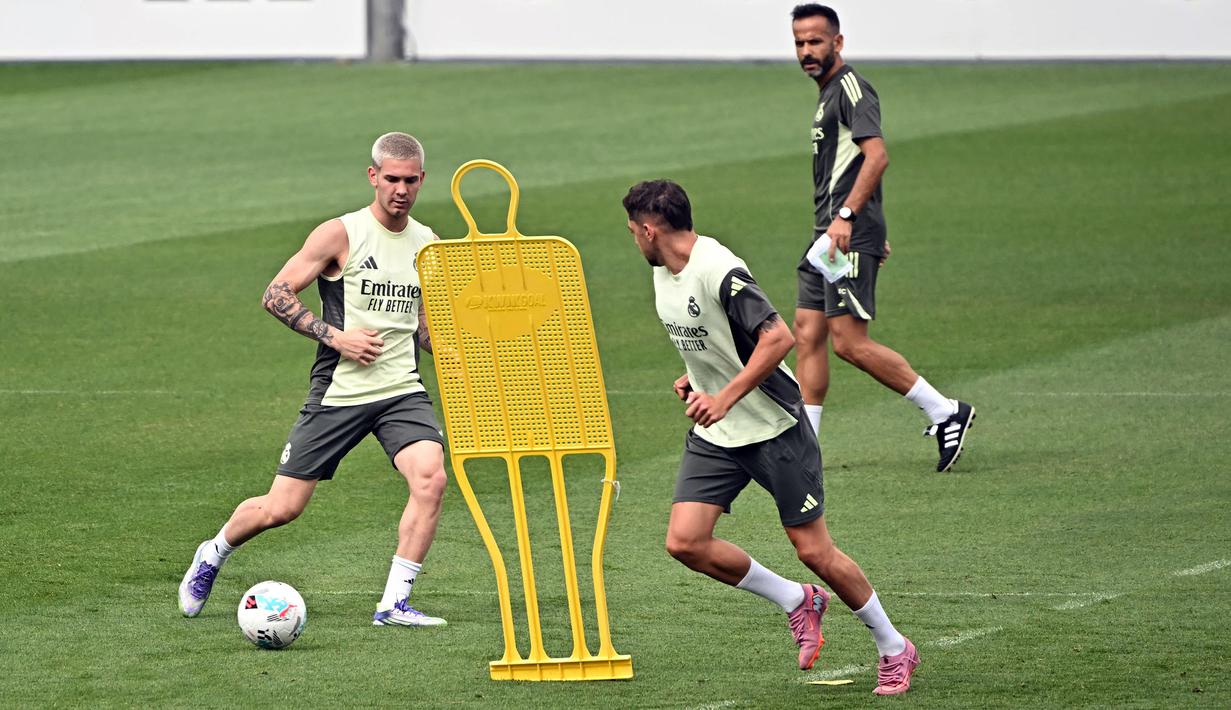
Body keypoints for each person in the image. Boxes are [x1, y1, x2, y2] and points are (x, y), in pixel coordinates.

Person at [622, 179, 919, 695]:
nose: (633, 240)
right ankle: (796, 600)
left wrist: (722, 396)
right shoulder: (664, 271)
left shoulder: (718, 269)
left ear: (650, 230)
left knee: (816, 552)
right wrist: (698, 377)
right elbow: (713, 337)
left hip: (774, 427)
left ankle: (895, 647)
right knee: (685, 541)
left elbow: (777, 338)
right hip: (720, 431)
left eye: (632, 231)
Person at [178, 132, 449, 627]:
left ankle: (394, 604)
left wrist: (468, 352)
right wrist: (336, 337)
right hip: (339, 392)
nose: (401, 190)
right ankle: (214, 552)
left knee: (430, 479)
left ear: (422, 180)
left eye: (411, 180)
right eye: (391, 179)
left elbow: (426, 329)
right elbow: (275, 294)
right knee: (282, 508)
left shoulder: (428, 244)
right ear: (373, 176)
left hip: (401, 392)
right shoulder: (340, 234)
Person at [790, 4, 975, 472]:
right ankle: (805, 447)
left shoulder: (852, 88)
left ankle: (945, 410)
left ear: (838, 42)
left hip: (842, 233)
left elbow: (877, 156)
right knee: (807, 332)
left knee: (849, 342)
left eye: (815, 41)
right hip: (829, 235)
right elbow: (852, 167)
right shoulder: (827, 94)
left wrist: (853, 219)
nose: (807, 51)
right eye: (799, 42)